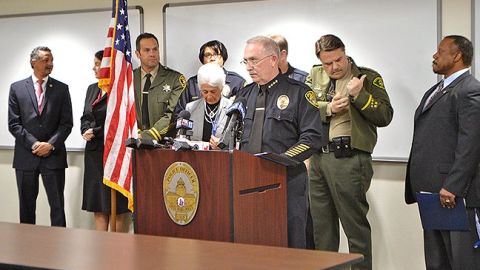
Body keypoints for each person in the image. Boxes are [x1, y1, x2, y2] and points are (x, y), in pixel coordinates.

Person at [306, 34, 393, 270]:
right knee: (322, 228)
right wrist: (328, 109)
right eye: (327, 63)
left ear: (345, 53)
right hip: (318, 158)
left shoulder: (367, 77)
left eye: (339, 60)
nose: (334, 67)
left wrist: (359, 95)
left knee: (355, 228)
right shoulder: (314, 77)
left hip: (350, 159)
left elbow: (385, 116)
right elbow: (303, 111)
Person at [237, 36, 322, 248]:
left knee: (290, 241)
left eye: (254, 60)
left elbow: (312, 138)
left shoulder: (299, 92)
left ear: (273, 59)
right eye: (246, 61)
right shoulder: (244, 95)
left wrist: (281, 160)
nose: (249, 67)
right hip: (248, 180)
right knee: (253, 241)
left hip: (286, 179)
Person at [405, 35, 480, 269]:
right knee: (436, 261)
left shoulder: (469, 90)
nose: (434, 56)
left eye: (440, 51)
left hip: (454, 194)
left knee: (461, 260)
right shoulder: (436, 89)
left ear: (457, 56)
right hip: (431, 193)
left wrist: (453, 186)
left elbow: (471, 143)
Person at [8, 46, 73, 227]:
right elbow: (14, 124)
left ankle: (59, 250)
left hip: (53, 156)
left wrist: (50, 145)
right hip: (25, 157)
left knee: (57, 207)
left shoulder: (61, 89)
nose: (50, 64)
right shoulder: (17, 88)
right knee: (26, 208)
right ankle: (27, 251)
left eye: (51, 60)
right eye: (45, 60)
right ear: (33, 62)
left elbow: (66, 124)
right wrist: (35, 144)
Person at [80, 50, 130, 232]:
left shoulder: (119, 89)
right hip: (93, 153)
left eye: (97, 63)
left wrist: (96, 131)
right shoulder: (92, 88)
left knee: (115, 205)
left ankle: (115, 250)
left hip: (113, 152)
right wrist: (85, 129)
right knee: (98, 204)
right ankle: (100, 247)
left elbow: (118, 120)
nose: (94, 67)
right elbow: (85, 116)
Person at [134, 32, 186, 141]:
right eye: (147, 50)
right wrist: (136, 133)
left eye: (155, 49)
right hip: (134, 140)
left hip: (163, 143)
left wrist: (149, 136)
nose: (152, 54)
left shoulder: (175, 79)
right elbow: (125, 110)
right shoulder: (129, 78)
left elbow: (172, 114)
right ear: (137, 54)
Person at [175, 40, 245, 115]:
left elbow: (244, 111)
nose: (212, 58)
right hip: (197, 124)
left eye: (216, 54)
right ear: (202, 59)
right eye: (208, 55)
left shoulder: (237, 82)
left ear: (223, 58)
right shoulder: (192, 83)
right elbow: (179, 112)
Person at [185, 63, 233, 149]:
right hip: (196, 159)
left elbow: (237, 143)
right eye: (205, 92)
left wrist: (222, 147)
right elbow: (185, 138)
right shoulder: (191, 108)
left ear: (221, 88)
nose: (209, 96)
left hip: (222, 159)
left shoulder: (232, 108)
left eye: (213, 92)